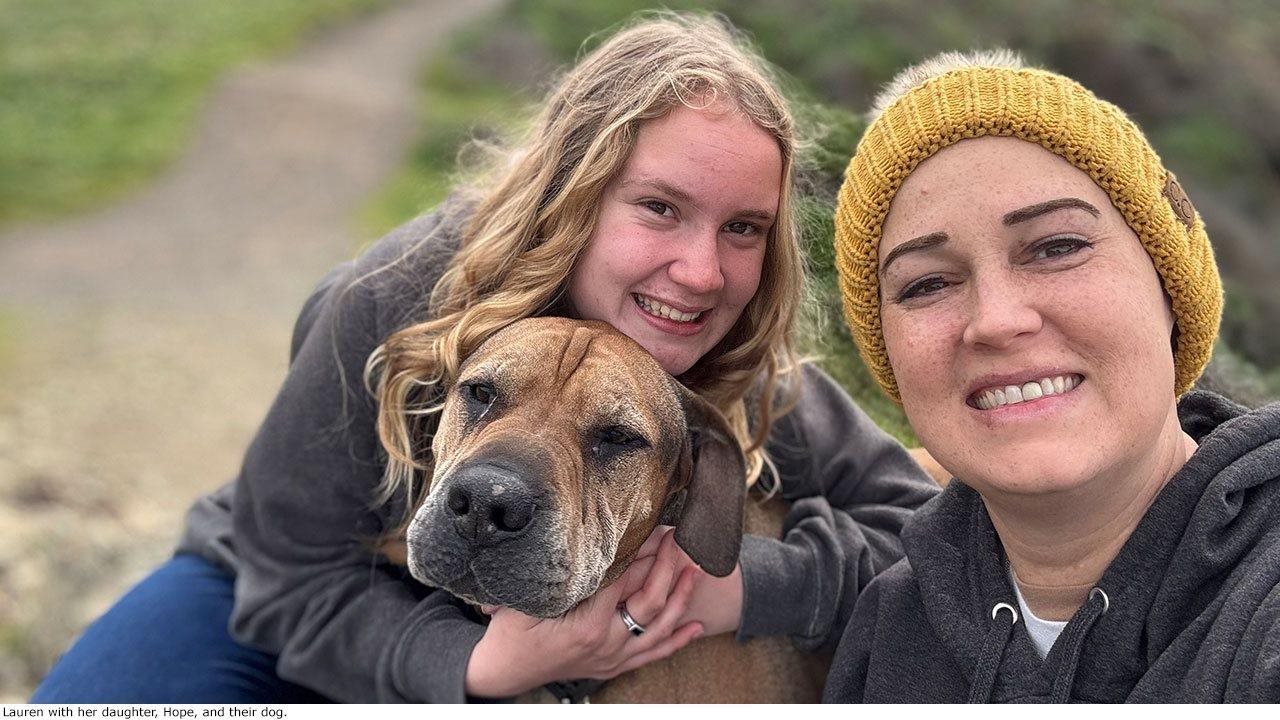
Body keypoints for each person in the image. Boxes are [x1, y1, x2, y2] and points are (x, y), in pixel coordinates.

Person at [32, 14, 937, 703]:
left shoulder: (735, 355)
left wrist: (744, 586)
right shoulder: (386, 305)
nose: (699, 271)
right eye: (659, 207)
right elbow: (287, 577)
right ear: (574, 196)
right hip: (298, 585)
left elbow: (924, 523)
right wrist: (475, 666)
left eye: (743, 229)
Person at [823, 49, 1280, 703]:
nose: (996, 320)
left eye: (1057, 247)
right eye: (926, 283)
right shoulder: (889, 635)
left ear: (1172, 289)